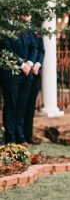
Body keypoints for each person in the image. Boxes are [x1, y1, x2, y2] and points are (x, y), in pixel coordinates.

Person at [0, 15, 38, 146]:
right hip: (11, 74)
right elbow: (5, 49)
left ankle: (20, 136)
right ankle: (10, 138)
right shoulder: (4, 28)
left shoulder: (25, 28)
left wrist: (30, 63)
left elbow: (34, 47)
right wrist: (22, 65)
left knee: (21, 107)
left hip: (26, 74)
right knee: (11, 105)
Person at [23, 24, 45, 144]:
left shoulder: (36, 30)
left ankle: (28, 134)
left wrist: (38, 64)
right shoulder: (17, 29)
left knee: (31, 105)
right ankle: (20, 135)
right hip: (23, 72)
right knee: (22, 105)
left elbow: (41, 50)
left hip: (35, 73)